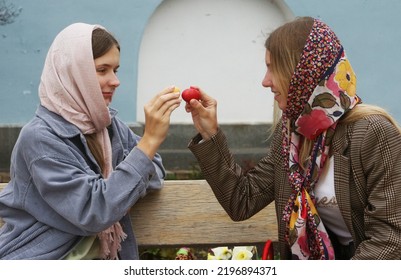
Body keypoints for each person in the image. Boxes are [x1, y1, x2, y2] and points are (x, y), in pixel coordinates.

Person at [185, 16, 401, 260]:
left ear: (304, 72)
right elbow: (242, 200)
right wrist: (210, 134)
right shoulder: (292, 136)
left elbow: (390, 240)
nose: (265, 81)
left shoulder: (372, 133)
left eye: (272, 68)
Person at [0, 23, 181, 259]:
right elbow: (95, 212)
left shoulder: (107, 125)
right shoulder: (40, 138)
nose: (115, 80)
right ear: (72, 72)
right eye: (102, 69)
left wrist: (117, 189)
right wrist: (149, 142)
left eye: (115, 69)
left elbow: (155, 170)